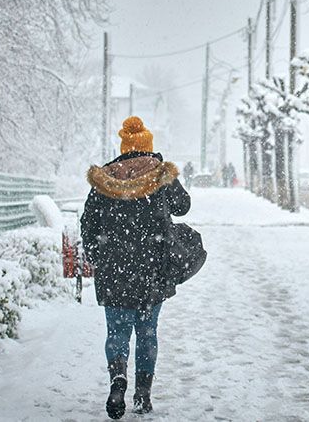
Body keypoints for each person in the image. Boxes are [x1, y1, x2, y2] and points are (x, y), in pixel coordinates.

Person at [81, 116, 191, 419]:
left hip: (114, 271)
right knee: (146, 332)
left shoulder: (104, 179)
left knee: (116, 332)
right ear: (148, 147)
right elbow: (184, 206)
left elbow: (88, 223)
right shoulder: (159, 176)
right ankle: (143, 393)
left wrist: (97, 256)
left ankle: (118, 380)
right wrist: (164, 169)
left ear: (123, 148)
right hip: (152, 270)